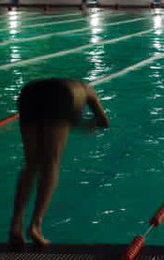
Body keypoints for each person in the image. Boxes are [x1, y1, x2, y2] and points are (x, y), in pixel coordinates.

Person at [11, 78, 109, 250]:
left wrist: (72, 122)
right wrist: (85, 125)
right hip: (60, 95)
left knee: (31, 164)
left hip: (29, 93)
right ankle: (35, 226)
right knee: (51, 164)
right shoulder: (88, 91)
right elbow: (104, 123)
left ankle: (16, 224)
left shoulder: (76, 88)